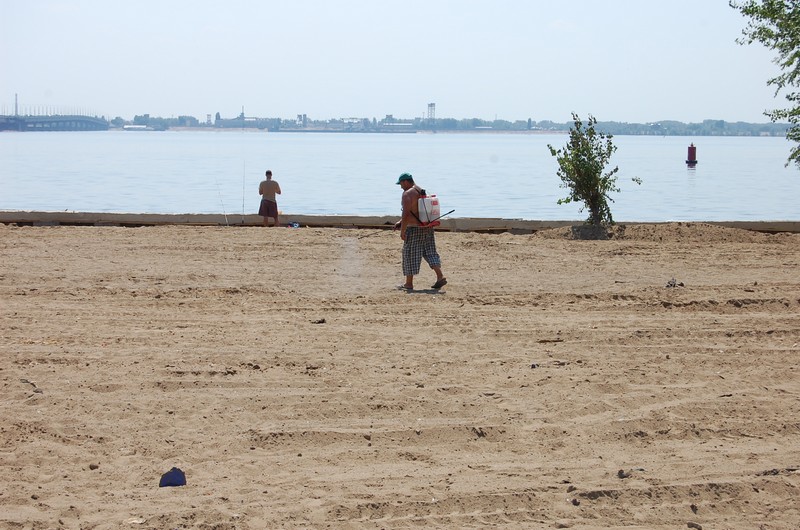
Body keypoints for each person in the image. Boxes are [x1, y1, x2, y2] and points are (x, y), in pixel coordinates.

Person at [393, 172, 447, 291]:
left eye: (401, 184)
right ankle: (440, 276)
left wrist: (402, 231)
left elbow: (406, 213)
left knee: (410, 254)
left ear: (406, 181)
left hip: (414, 228)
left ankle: (408, 284)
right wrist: (400, 221)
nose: (401, 187)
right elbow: (417, 210)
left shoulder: (407, 194)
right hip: (427, 226)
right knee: (430, 252)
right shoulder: (421, 190)